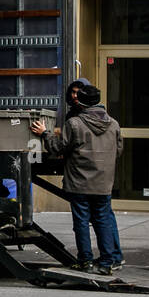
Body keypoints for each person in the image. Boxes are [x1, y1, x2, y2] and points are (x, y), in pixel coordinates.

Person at [31, 81, 125, 275]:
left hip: (79, 182)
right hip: (103, 182)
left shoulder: (74, 123)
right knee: (103, 220)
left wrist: (45, 133)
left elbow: (57, 148)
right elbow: (118, 151)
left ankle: (85, 261)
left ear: (81, 103)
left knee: (81, 222)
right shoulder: (113, 124)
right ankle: (107, 262)